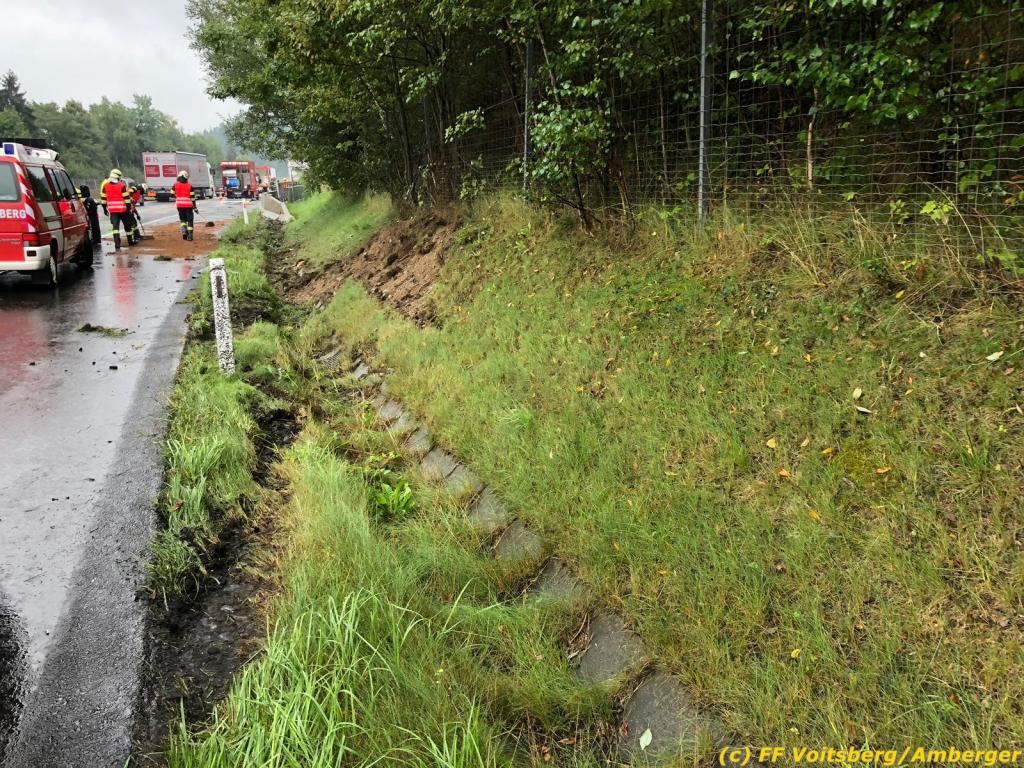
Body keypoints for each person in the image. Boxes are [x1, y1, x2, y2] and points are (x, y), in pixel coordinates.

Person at [100, 169, 136, 249]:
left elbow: (103, 199)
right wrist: (128, 208)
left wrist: (104, 209)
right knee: (128, 226)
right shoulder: (121, 185)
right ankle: (130, 241)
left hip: (113, 211)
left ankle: (117, 244)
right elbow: (126, 199)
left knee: (115, 228)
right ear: (117, 177)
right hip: (123, 210)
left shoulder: (105, 186)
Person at [173, 169, 197, 240]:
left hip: (179, 205)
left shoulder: (175, 185)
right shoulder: (190, 185)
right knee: (190, 220)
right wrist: (195, 207)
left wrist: (178, 196)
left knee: (182, 219)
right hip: (188, 205)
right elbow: (192, 198)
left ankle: (184, 231)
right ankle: (190, 236)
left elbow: (171, 194)